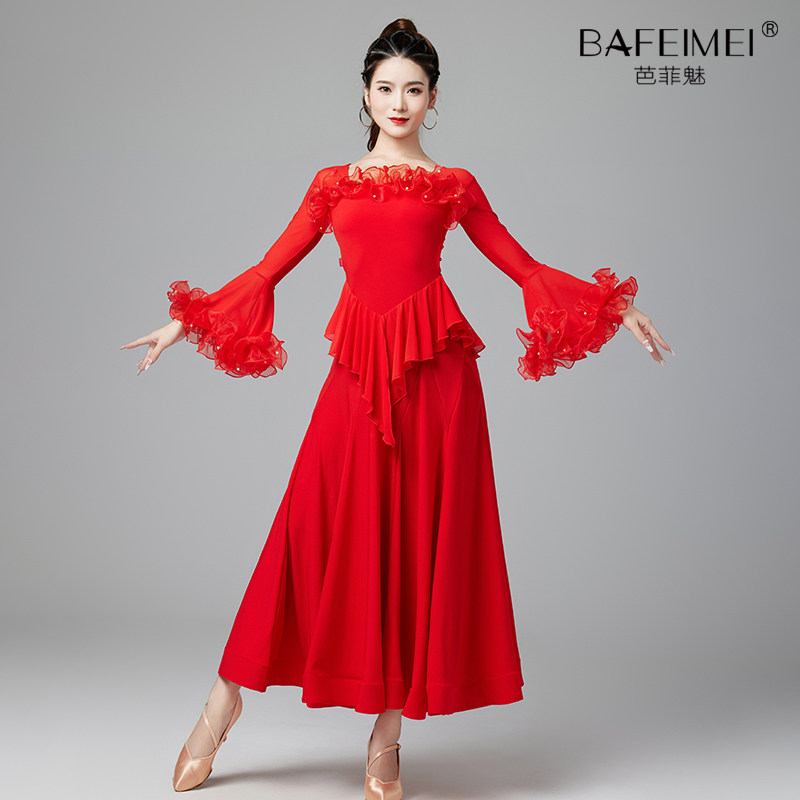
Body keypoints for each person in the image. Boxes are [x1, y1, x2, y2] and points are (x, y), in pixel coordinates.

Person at [120, 17, 672, 798]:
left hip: (438, 381)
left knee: (415, 545)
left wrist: (615, 308)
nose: (400, 102)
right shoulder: (332, 184)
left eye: (415, 89)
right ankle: (221, 705)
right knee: (304, 533)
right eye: (386, 88)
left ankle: (386, 740)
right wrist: (187, 322)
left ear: (434, 98)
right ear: (366, 95)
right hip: (357, 375)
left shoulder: (454, 186)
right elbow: (269, 267)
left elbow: (522, 266)